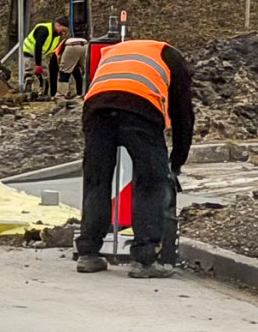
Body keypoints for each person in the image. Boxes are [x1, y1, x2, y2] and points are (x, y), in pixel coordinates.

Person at [75, 38, 194, 278]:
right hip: (140, 108)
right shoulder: (172, 57)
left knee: (97, 180)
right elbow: (183, 115)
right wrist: (177, 161)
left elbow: (100, 85)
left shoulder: (114, 52)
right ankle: (145, 259)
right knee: (151, 182)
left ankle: (88, 254)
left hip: (96, 110)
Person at [23, 20, 69, 97]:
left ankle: (43, 93)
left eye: (65, 32)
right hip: (30, 52)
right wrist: (38, 65)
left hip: (41, 55)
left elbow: (54, 51)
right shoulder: (44, 29)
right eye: (63, 30)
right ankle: (28, 93)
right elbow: (38, 46)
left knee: (45, 75)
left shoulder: (56, 37)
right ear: (57, 25)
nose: (63, 33)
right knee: (30, 72)